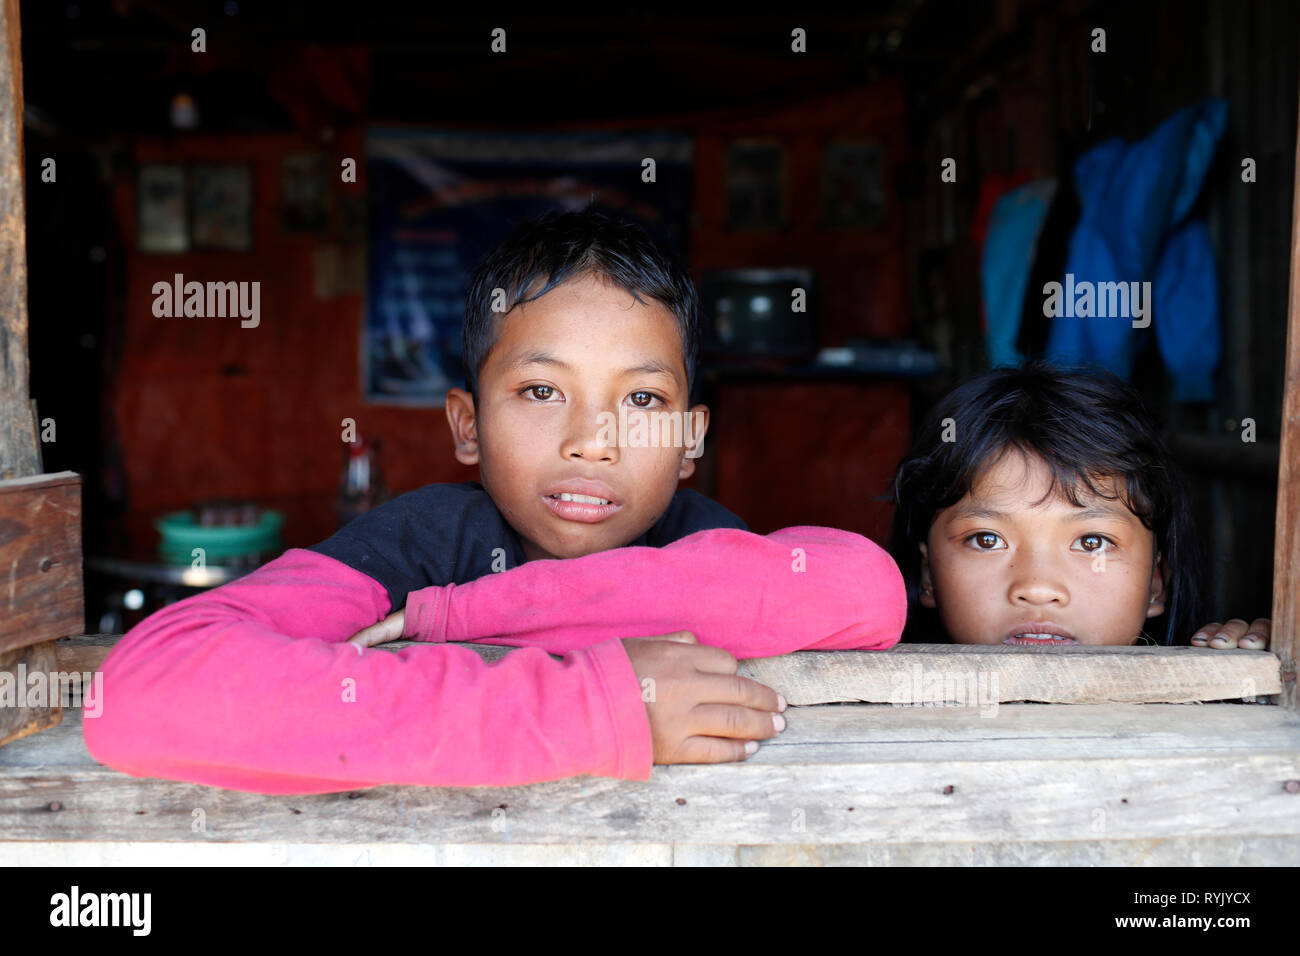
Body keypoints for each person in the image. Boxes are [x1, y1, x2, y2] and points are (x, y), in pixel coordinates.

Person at [82, 208, 907, 795]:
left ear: (692, 439)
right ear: (467, 426)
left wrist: (454, 618)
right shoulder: (416, 544)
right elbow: (146, 690)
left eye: (643, 402)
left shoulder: (708, 551)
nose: (594, 439)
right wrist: (593, 709)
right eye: (542, 390)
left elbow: (866, 590)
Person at [888, 362, 1270, 649]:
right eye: (986, 539)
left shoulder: (1212, 701)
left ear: (1156, 583)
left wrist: (1263, 669)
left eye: (1092, 542)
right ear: (928, 575)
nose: (1037, 588)